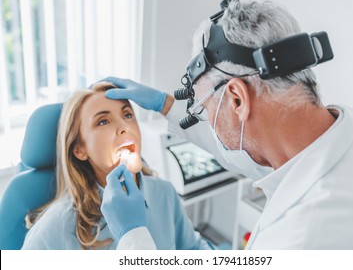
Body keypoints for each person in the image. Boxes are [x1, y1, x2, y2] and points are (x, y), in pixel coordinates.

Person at [100, 0, 353, 249]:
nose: (208, 121)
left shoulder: (301, 240)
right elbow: (260, 154)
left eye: (203, 108)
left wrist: (133, 236)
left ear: (237, 98)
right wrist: (166, 105)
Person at [21, 82, 214, 250]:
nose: (125, 126)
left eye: (128, 115)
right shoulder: (58, 225)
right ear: (80, 149)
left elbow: (193, 249)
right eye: (103, 121)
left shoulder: (165, 193)